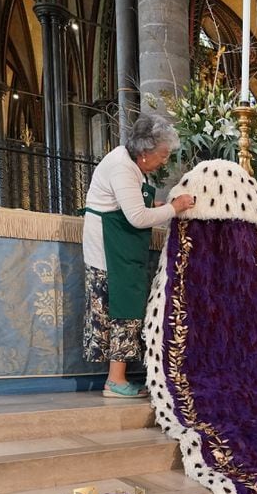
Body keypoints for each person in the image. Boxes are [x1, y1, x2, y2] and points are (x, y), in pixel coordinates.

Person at [82, 114, 195, 398]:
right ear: (145, 153)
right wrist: (175, 207)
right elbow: (137, 217)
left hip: (119, 244)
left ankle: (116, 378)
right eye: (163, 155)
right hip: (110, 247)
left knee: (126, 306)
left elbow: (132, 202)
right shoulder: (121, 166)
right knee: (121, 310)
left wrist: (156, 203)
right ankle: (115, 381)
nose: (164, 161)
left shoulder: (130, 162)